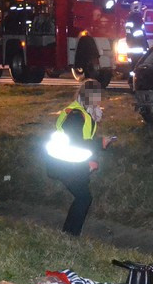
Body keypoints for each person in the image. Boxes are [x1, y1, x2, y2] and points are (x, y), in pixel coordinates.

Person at [45, 80, 111, 236]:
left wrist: (91, 160)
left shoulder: (82, 112)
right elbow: (77, 142)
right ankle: (70, 234)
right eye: (97, 96)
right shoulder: (76, 115)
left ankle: (69, 233)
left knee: (83, 197)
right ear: (90, 96)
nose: (100, 100)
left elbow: (82, 140)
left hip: (68, 163)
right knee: (84, 198)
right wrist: (99, 143)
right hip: (64, 164)